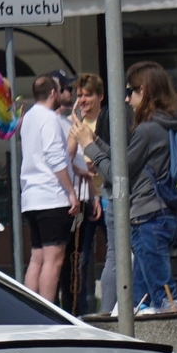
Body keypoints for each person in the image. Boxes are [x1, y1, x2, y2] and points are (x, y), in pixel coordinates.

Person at [123, 63, 177, 314]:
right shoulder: (176, 123)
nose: (127, 98)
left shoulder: (148, 130)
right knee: (140, 300)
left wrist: (91, 145)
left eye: (131, 91)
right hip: (167, 212)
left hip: (147, 216)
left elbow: (119, 172)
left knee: (165, 297)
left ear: (144, 90)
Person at [16, 72, 79, 301]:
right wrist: (71, 192)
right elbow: (55, 158)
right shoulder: (49, 118)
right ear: (53, 93)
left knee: (37, 257)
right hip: (52, 195)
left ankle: (29, 311)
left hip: (31, 196)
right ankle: (46, 311)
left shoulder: (29, 117)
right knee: (55, 258)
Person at [67, 75, 110, 313]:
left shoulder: (105, 120)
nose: (83, 100)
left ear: (100, 96)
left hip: (107, 193)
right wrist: (75, 123)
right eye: (80, 95)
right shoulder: (77, 125)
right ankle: (81, 309)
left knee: (115, 251)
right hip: (86, 197)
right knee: (81, 254)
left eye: (88, 95)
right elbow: (68, 156)